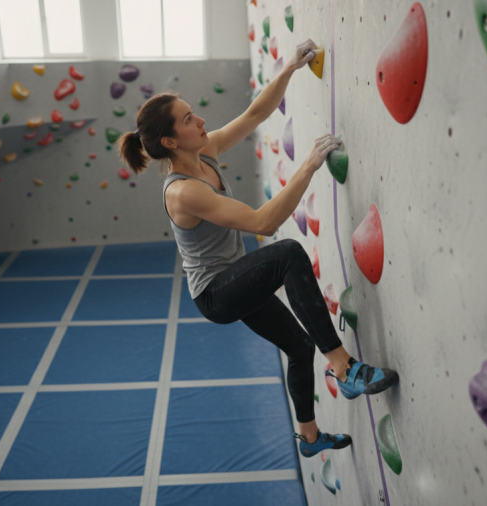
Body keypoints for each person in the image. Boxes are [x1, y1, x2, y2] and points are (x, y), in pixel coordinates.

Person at [117, 39, 399, 459]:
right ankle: (344, 367)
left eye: (194, 113)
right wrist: (308, 166)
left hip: (236, 274)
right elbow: (263, 223)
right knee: (287, 254)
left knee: (299, 349)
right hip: (216, 293)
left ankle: (308, 438)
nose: (201, 121)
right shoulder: (182, 193)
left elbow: (254, 114)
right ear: (170, 142)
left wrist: (288, 69)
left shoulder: (203, 151)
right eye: (189, 119)